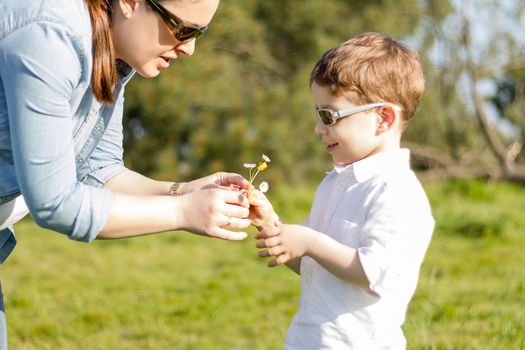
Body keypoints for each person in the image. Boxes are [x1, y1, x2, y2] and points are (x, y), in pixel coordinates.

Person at [0, 0, 252, 348]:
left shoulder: (113, 46)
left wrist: (185, 191)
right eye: (182, 29)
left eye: (199, 33)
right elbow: (55, 203)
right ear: (131, 3)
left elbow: (97, 170)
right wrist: (184, 212)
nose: (190, 48)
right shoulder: (50, 34)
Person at [249, 32, 435, 349]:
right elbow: (313, 263)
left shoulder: (397, 193)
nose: (318, 129)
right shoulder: (335, 182)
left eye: (329, 115)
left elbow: (372, 272)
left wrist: (308, 240)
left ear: (383, 118)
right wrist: (272, 224)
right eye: (317, 114)